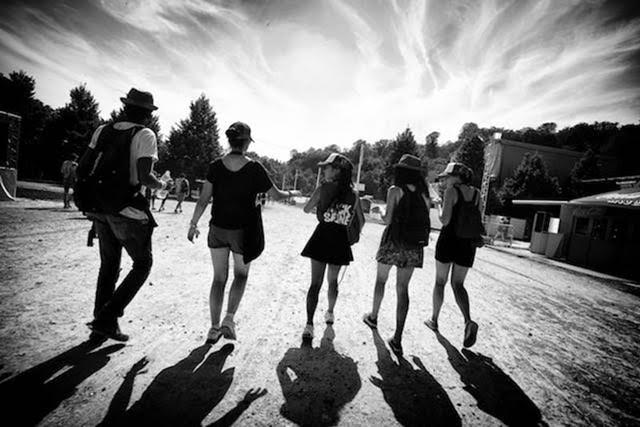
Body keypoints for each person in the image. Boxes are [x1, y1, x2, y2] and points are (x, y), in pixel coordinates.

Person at [187, 122, 296, 344]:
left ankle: (214, 328)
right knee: (241, 275)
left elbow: (204, 199)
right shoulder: (255, 168)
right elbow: (275, 195)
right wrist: (292, 192)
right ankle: (229, 318)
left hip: (217, 228)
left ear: (229, 140)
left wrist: (193, 223)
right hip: (242, 231)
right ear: (246, 142)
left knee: (218, 279)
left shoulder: (215, 166)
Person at [79, 88, 171, 341]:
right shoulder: (145, 134)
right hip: (127, 209)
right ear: (147, 114)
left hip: (100, 207)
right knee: (142, 264)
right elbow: (144, 177)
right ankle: (108, 316)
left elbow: (84, 166)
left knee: (109, 265)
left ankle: (102, 325)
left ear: (125, 107)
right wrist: (163, 185)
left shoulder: (102, 130)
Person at [363, 154, 431, 355]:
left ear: (401, 170)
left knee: (381, 281)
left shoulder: (395, 190)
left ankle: (373, 317)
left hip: (393, 241)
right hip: (413, 246)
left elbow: (387, 220)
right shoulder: (425, 195)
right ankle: (398, 338)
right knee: (403, 289)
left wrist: (380, 211)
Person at [300, 153, 358, 340]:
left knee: (315, 283)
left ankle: (309, 325)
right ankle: (330, 313)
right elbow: (350, 221)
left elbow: (306, 209)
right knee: (332, 282)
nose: (324, 170)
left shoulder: (323, 188)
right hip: (339, 240)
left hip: (321, 238)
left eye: (327, 167)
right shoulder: (353, 195)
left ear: (337, 170)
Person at [424, 162, 480, 348]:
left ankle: (434, 320)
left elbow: (444, 220)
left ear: (457, 177)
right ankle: (468, 321)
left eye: (447, 177)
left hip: (448, 241)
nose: (445, 180)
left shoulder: (451, 192)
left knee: (440, 282)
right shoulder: (477, 194)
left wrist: (439, 205)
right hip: (467, 244)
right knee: (458, 285)